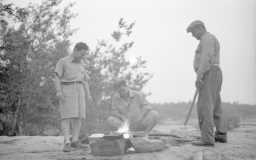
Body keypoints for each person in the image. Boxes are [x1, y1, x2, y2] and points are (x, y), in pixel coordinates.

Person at [186, 20, 227, 146]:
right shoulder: (208, 38)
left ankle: (207, 139)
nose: (193, 35)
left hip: (209, 72)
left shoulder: (207, 39)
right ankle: (220, 134)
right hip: (213, 72)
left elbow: (206, 58)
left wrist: (199, 76)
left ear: (200, 28)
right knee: (215, 104)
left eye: (193, 32)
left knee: (205, 106)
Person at [54, 42, 92, 152]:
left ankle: (75, 141)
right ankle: (67, 142)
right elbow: (56, 77)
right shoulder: (63, 61)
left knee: (79, 116)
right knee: (66, 116)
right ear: (75, 50)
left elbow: (85, 80)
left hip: (80, 90)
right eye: (82, 54)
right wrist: (58, 91)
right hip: (67, 88)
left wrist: (88, 94)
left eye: (85, 54)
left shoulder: (82, 63)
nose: (83, 56)